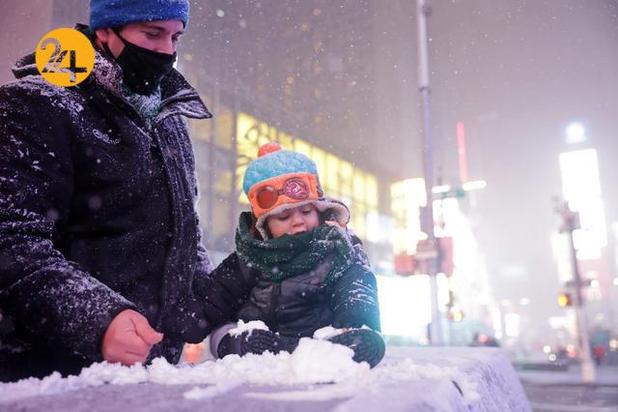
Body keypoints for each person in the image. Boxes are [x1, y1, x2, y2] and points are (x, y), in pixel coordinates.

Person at [0, 0, 214, 381]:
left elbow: (186, 236)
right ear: (105, 30)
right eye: (152, 33)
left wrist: (221, 307)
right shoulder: (37, 105)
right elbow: (11, 241)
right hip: (50, 376)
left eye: (175, 36)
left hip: (149, 373)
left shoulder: (168, 118)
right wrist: (98, 319)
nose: (167, 50)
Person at [199, 142, 385, 368]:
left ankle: (341, 347)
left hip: (320, 340)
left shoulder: (338, 251)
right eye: (284, 216)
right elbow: (213, 299)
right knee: (224, 335)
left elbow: (356, 289)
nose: (298, 221)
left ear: (319, 210)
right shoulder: (249, 257)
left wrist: (357, 323)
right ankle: (256, 346)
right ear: (263, 226)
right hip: (259, 335)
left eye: (306, 211)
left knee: (363, 335)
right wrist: (185, 317)